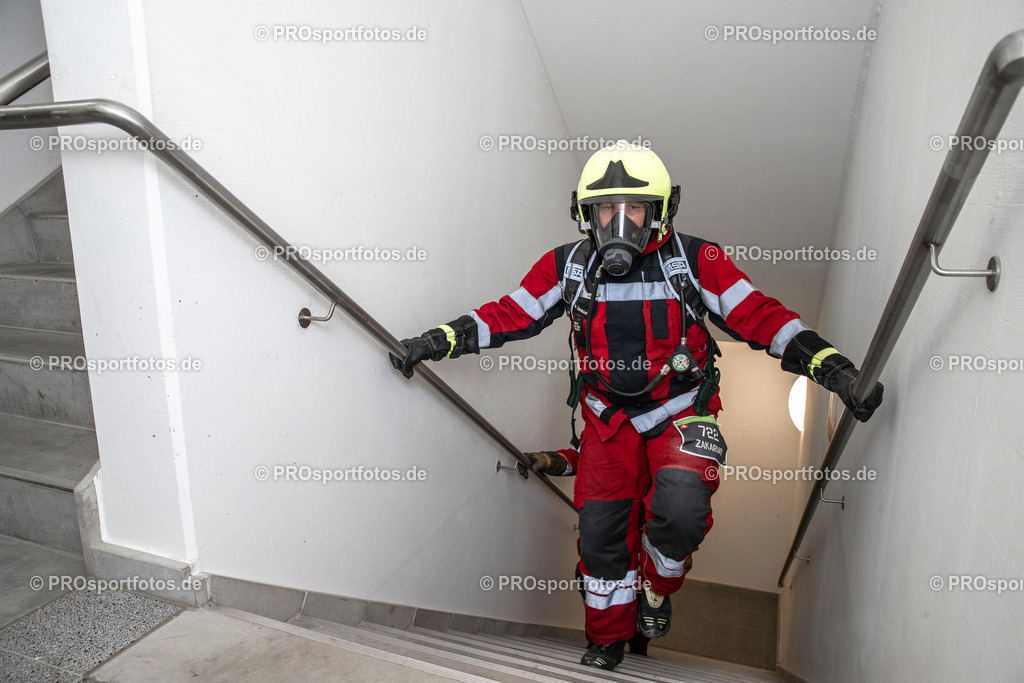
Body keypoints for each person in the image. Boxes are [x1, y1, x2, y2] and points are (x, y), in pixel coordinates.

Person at [389, 141, 883, 671]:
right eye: (607, 210)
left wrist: (834, 370)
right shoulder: (569, 265)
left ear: (660, 211)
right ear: (587, 213)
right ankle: (608, 637)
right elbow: (510, 313)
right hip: (607, 420)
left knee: (682, 505)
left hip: (682, 408)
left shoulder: (695, 259)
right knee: (601, 538)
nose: (619, 223)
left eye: (635, 210)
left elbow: (760, 316)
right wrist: (437, 341)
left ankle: (656, 586)